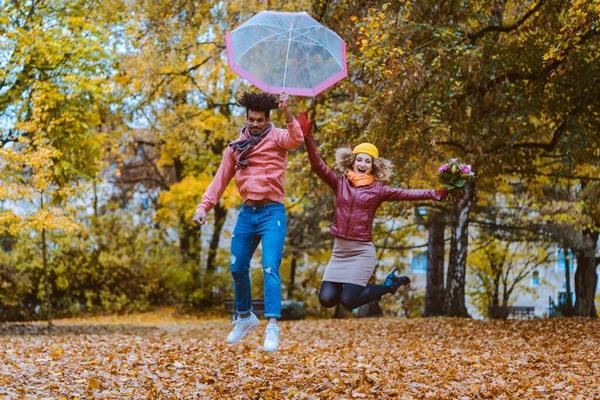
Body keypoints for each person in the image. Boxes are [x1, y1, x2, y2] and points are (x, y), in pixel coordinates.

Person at [297, 111, 455, 311]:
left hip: (362, 251)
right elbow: (317, 166)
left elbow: (407, 194)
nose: (363, 164)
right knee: (326, 299)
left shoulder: (379, 189)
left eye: (368, 161)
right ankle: (381, 284)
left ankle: (389, 286)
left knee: (348, 301)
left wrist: (435, 194)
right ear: (352, 161)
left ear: (373, 166)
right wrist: (308, 137)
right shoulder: (340, 183)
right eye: (360, 159)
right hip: (340, 251)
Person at [193, 91, 303, 352]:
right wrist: (203, 207)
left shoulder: (278, 138)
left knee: (269, 267)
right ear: (246, 117)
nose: (255, 124)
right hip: (247, 214)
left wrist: (287, 111)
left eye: (260, 120)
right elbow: (219, 181)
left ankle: (273, 325)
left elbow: (297, 138)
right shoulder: (235, 148)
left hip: (272, 213)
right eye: (252, 119)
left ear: (268, 118)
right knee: (236, 267)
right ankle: (245, 317)